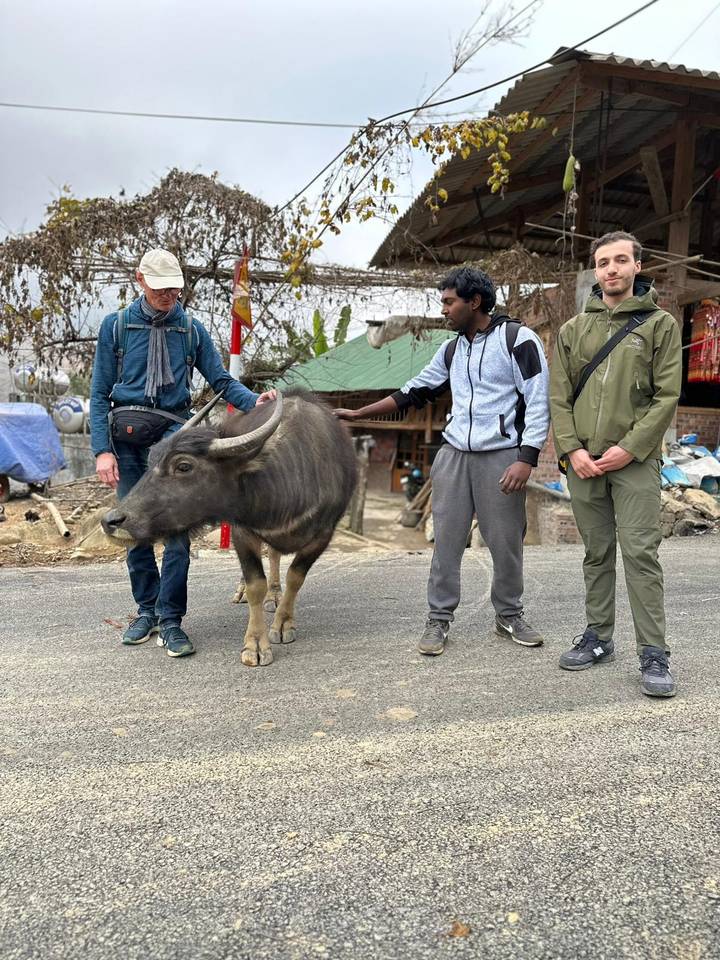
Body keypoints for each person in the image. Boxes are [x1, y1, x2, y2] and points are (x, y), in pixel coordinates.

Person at [335, 266, 550, 656]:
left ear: (475, 301)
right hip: (453, 456)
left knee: (504, 542)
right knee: (446, 542)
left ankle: (509, 614)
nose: (444, 309)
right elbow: (413, 392)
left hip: (500, 457)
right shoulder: (452, 348)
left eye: (449, 302)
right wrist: (358, 412)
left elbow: (538, 401)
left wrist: (526, 458)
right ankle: (438, 620)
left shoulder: (518, 339)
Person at [90, 248, 274, 658]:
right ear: (140, 281)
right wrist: (103, 450)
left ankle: (171, 619)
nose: (167, 297)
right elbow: (99, 393)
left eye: (173, 290)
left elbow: (222, 380)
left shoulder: (191, 329)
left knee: (177, 534)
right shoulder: (116, 327)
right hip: (127, 440)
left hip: (174, 439)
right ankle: (146, 611)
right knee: (130, 525)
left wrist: (256, 403)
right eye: (159, 290)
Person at [549, 230, 682, 697]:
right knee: (596, 552)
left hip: (634, 461)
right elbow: (559, 396)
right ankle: (599, 637)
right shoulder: (573, 330)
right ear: (596, 270)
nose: (612, 269)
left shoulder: (660, 325)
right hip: (584, 461)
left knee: (641, 553)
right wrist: (572, 450)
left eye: (621, 260)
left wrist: (632, 447)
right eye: (604, 262)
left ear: (637, 267)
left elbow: (667, 395)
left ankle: (654, 652)